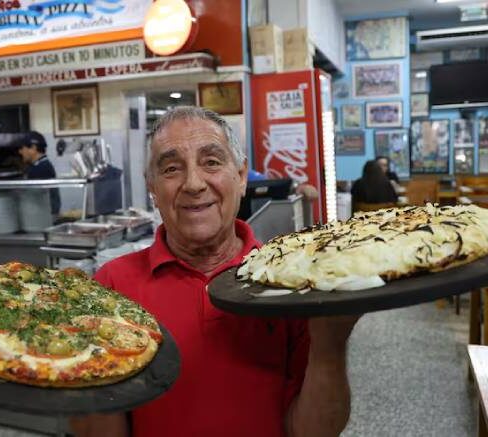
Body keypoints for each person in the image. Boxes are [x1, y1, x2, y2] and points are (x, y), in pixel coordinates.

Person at [71, 106, 358, 437]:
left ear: (240, 176)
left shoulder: (289, 282)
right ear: (152, 188)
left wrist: (331, 341)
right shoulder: (111, 286)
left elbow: (313, 432)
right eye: (171, 168)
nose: (193, 183)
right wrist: (80, 372)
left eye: (211, 162)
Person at [18, 131, 61, 215]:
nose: (20, 152)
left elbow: (32, 198)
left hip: (42, 218)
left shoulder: (40, 168)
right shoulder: (43, 164)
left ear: (33, 148)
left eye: (22, 148)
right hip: (45, 215)